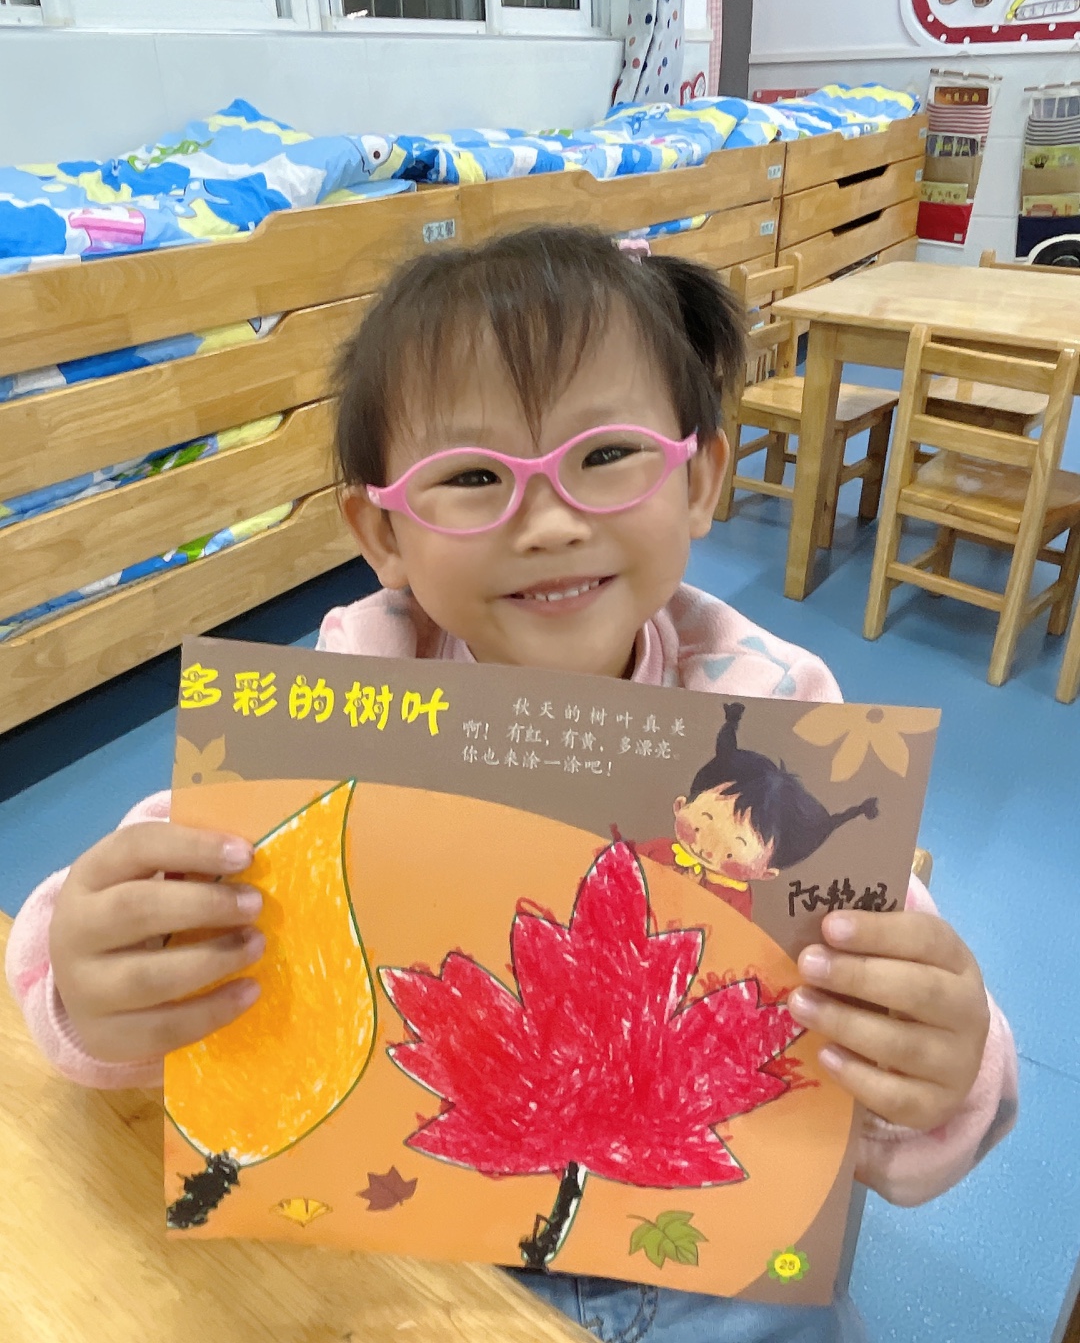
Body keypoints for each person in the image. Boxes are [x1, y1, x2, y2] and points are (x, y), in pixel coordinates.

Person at [5, 226, 1017, 1343]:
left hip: (715, 1274)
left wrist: (946, 1064)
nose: (549, 520)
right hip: (411, 1248)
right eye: (474, 476)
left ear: (700, 480)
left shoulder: (773, 722)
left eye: (608, 453)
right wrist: (91, 975)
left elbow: (891, 1025)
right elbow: (132, 912)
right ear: (382, 532)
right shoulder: (344, 703)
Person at [637, 701, 879, 920]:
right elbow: (623, 869)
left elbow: (728, 939)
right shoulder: (659, 850)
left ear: (766, 873)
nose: (710, 848)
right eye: (703, 822)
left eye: (732, 851)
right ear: (680, 806)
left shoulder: (735, 899)